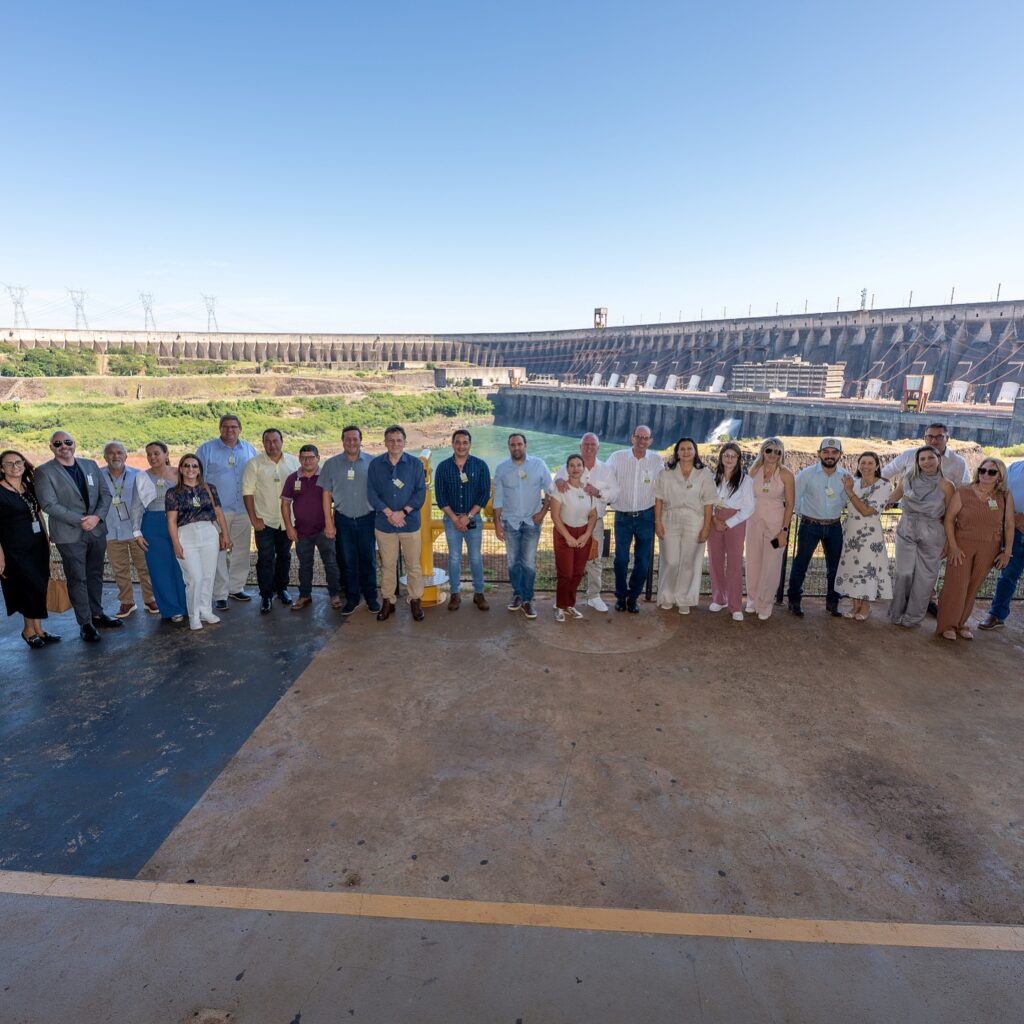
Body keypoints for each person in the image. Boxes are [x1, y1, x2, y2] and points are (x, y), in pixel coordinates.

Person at [34, 431, 121, 642]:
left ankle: (97, 614)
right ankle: (85, 623)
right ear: (51, 447)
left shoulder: (90, 465)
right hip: (69, 534)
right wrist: (82, 520)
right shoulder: (44, 472)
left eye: (67, 442)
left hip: (96, 530)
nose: (64, 446)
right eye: (58, 443)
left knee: (95, 574)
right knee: (77, 579)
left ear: (74, 443)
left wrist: (97, 518)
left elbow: (105, 494)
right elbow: (48, 504)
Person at [936, 458, 1016, 641]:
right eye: (982, 470)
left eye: (991, 472)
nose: (985, 475)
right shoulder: (963, 491)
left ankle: (961, 624)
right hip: (962, 545)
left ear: (1000, 476)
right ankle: (947, 625)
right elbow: (949, 519)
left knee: (973, 587)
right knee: (955, 585)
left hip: (989, 547)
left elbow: (1009, 525)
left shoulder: (1004, 496)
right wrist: (953, 546)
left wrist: (1007, 551)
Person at [887, 446, 955, 628]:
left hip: (934, 532)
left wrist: (949, 542)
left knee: (926, 577)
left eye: (930, 458)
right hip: (907, 528)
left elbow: (950, 516)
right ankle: (897, 612)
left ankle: (913, 617)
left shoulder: (947, 485)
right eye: (922, 459)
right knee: (903, 572)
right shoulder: (908, 478)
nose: (926, 462)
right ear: (917, 462)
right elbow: (892, 498)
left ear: (938, 459)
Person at [367, 425, 427, 622]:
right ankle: (388, 601)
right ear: (385, 443)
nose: (395, 444)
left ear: (404, 442)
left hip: (409, 523)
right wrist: (389, 513)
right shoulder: (376, 465)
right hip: (384, 525)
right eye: (391, 440)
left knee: (413, 565)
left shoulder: (416, 465)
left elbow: (420, 493)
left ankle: (415, 600)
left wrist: (402, 512)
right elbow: (372, 494)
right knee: (387, 565)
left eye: (399, 440)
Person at [196, 414, 257, 609]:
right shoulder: (206, 449)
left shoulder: (249, 449)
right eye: (225, 426)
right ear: (219, 428)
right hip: (218, 511)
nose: (230, 430)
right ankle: (220, 593)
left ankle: (236, 588)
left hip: (243, 509)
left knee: (241, 549)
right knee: (218, 551)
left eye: (234, 427)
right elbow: (198, 479)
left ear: (240, 428)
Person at [166, 454, 232, 630]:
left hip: (208, 533)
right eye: (186, 466)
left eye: (194, 466)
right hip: (186, 535)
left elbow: (218, 513)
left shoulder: (209, 488)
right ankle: (194, 615)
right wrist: (175, 543)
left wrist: (225, 534)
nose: (190, 469)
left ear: (199, 469)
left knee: (209, 575)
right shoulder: (173, 493)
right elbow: (171, 521)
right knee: (194, 578)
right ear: (180, 469)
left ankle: (206, 610)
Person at [553, 433, 618, 612]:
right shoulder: (570, 466)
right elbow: (555, 486)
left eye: (593, 445)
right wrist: (558, 480)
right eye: (586, 444)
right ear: (580, 447)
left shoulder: (606, 468)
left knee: (594, 559)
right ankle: (563, 598)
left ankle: (594, 596)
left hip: (593, 522)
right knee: (567, 565)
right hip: (567, 523)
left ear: (598, 448)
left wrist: (598, 493)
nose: (589, 448)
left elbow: (615, 493)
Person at [787, 438, 850, 618]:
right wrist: (804, 515)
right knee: (801, 564)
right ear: (819, 453)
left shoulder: (845, 477)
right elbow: (795, 498)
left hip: (834, 527)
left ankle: (833, 603)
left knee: (835, 567)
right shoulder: (806, 474)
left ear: (840, 455)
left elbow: (848, 500)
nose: (830, 456)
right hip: (810, 526)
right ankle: (794, 601)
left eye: (834, 452)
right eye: (826, 452)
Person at [492, 432, 553, 620]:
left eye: (519, 444)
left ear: (525, 445)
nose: (516, 448)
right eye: (513, 445)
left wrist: (543, 513)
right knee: (513, 562)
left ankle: (527, 599)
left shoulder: (538, 465)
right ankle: (517, 594)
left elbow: (550, 490)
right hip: (510, 522)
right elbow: (498, 499)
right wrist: (497, 524)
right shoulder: (502, 469)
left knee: (528, 563)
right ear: (509, 447)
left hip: (531, 522)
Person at [320, 425, 379, 615]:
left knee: (368, 560)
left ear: (361, 441)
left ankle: (371, 597)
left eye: (355, 439)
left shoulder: (373, 462)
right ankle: (352, 598)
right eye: (348, 439)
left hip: (368, 519)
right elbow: (326, 494)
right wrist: (329, 522)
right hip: (343, 520)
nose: (351, 442)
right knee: (348, 561)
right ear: (342, 441)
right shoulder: (331, 464)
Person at [0, 450, 57, 648]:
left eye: (18, 462)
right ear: (1, 468)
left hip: (37, 544)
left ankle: (39, 629)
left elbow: (38, 514)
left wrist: (47, 539)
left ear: (24, 464)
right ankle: (28, 630)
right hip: (14, 549)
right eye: (9, 464)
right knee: (27, 587)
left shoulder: (29, 486)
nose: (15, 466)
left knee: (39, 585)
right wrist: (0, 556)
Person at [653, 437, 715, 614]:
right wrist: (658, 523)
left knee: (688, 562)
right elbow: (658, 499)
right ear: (677, 452)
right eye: (682, 449)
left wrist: (706, 527)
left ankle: (684, 598)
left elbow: (709, 502)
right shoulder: (666, 473)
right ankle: (666, 596)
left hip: (695, 520)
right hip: (669, 518)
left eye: (689, 449)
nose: (686, 452)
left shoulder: (704, 474)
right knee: (671, 560)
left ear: (695, 451)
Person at [606, 425, 663, 613]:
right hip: (622, 517)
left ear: (651, 441)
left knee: (643, 562)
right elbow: (603, 478)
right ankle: (621, 596)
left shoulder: (656, 460)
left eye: (645, 438)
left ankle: (633, 597)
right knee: (621, 560)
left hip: (646, 517)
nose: (642, 441)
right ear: (632, 438)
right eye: (638, 437)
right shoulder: (617, 457)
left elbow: (663, 488)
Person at [242, 428, 299, 613]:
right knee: (265, 558)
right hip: (264, 521)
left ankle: (281, 589)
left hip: (287, 521)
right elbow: (248, 493)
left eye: (275, 440)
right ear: (263, 443)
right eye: (268, 441)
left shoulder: (293, 462)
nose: (272, 445)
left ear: (282, 441)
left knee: (285, 556)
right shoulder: (254, 464)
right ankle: (266, 595)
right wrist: (254, 519)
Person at [130, 441, 188, 623]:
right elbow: (136, 506)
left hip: (180, 523)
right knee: (159, 568)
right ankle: (172, 609)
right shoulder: (141, 477)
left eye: (156, 453)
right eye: (149, 454)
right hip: (153, 524)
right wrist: (137, 533)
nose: (152, 457)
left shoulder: (180, 473)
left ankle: (188, 605)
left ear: (166, 453)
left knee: (183, 566)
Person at [281, 445, 344, 611]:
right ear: (299, 459)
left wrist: (332, 524)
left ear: (318, 458)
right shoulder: (292, 479)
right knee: (305, 565)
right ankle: (304, 595)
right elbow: (285, 504)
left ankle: (335, 595)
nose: (307, 461)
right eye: (303, 458)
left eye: (311, 457)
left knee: (330, 563)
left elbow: (338, 502)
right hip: (301, 531)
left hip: (324, 530)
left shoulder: (327, 477)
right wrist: (289, 527)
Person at [434, 429, 491, 611]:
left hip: (473, 519)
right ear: (452, 444)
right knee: (454, 558)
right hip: (451, 519)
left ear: (469, 444)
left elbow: (484, 494)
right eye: (457, 442)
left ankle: (479, 593)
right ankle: (455, 594)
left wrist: (468, 517)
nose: (461, 446)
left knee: (475, 557)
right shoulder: (443, 467)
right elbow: (440, 496)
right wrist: (455, 518)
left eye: (465, 442)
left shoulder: (480, 465)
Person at [100, 441, 156, 618]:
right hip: (111, 531)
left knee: (145, 567)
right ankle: (127, 602)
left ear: (126, 456)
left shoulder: (139, 475)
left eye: (119, 452)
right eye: (111, 453)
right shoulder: (98, 476)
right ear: (105, 456)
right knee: (120, 570)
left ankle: (150, 599)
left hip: (136, 531)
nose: (115, 456)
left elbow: (150, 502)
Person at [835, 452, 892, 621]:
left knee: (867, 569)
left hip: (869, 535)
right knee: (853, 568)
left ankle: (865, 606)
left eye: (870, 463)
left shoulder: (883, 485)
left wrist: (850, 491)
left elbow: (867, 511)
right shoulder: (855, 482)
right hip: (850, 531)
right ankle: (855, 605)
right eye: (863, 463)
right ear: (858, 465)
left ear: (877, 466)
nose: (866, 466)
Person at [744, 438, 795, 621]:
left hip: (775, 525)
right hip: (754, 522)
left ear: (781, 454)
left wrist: (784, 530)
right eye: (769, 450)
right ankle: (752, 598)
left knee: (771, 564)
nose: (773, 455)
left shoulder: (786, 475)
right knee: (753, 560)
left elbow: (790, 504)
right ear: (762, 451)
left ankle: (765, 602)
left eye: (777, 452)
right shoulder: (753, 471)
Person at [707, 442, 755, 620]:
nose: (729, 459)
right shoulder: (713, 478)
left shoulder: (746, 481)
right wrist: (713, 519)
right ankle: (719, 598)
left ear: (738, 459)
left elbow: (749, 508)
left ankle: (735, 605)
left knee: (734, 563)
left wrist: (728, 523)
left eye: (733, 456)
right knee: (715, 560)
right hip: (714, 520)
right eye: (726, 455)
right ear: (721, 457)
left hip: (735, 523)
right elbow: (708, 501)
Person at [550, 454, 598, 621]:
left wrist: (587, 535)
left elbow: (593, 515)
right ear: (567, 468)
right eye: (572, 465)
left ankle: (570, 605)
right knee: (566, 573)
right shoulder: (561, 489)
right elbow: (555, 517)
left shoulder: (588, 490)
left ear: (583, 468)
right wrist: (568, 536)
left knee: (577, 573)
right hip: (564, 534)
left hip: (583, 535)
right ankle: (560, 606)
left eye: (579, 465)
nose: (575, 468)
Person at [978, 458, 1024, 630]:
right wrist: (1014, 518)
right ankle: (997, 614)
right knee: (1007, 576)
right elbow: (999, 493)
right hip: (1016, 532)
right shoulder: (1014, 467)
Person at [881, 423, 971, 487]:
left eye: (939, 437)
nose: (934, 441)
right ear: (924, 438)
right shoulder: (909, 455)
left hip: (942, 511)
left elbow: (964, 489)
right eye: (930, 437)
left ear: (947, 439)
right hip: (910, 510)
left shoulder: (958, 462)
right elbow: (884, 474)